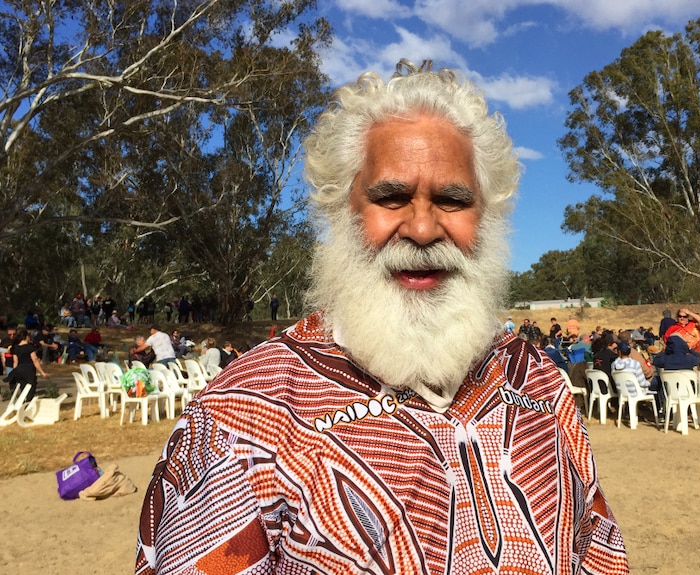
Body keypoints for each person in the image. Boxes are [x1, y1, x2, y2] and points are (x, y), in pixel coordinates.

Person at [136, 61, 627, 574]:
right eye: (390, 198)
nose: (421, 228)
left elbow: (598, 550)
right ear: (341, 211)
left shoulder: (537, 379)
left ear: (487, 218)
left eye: (452, 199)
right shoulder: (240, 419)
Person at [6, 328, 48, 401]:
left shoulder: (16, 348)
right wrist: (42, 372)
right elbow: (35, 360)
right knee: (31, 389)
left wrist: (14, 372)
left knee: (23, 390)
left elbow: (15, 362)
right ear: (26, 337)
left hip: (19, 370)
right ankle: (28, 405)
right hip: (29, 370)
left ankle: (23, 404)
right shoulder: (30, 347)